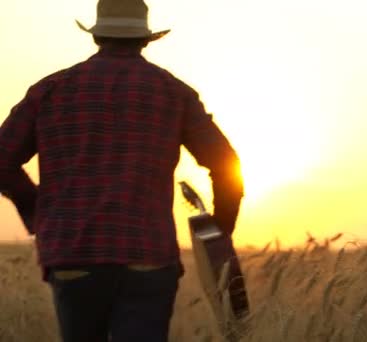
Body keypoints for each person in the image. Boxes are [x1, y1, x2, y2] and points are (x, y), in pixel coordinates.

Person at [0, 0, 244, 341]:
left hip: (74, 255)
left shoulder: (49, 90)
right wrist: (219, 234)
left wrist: (38, 211)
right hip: (148, 256)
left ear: (97, 35)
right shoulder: (174, 92)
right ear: (145, 39)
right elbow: (224, 163)